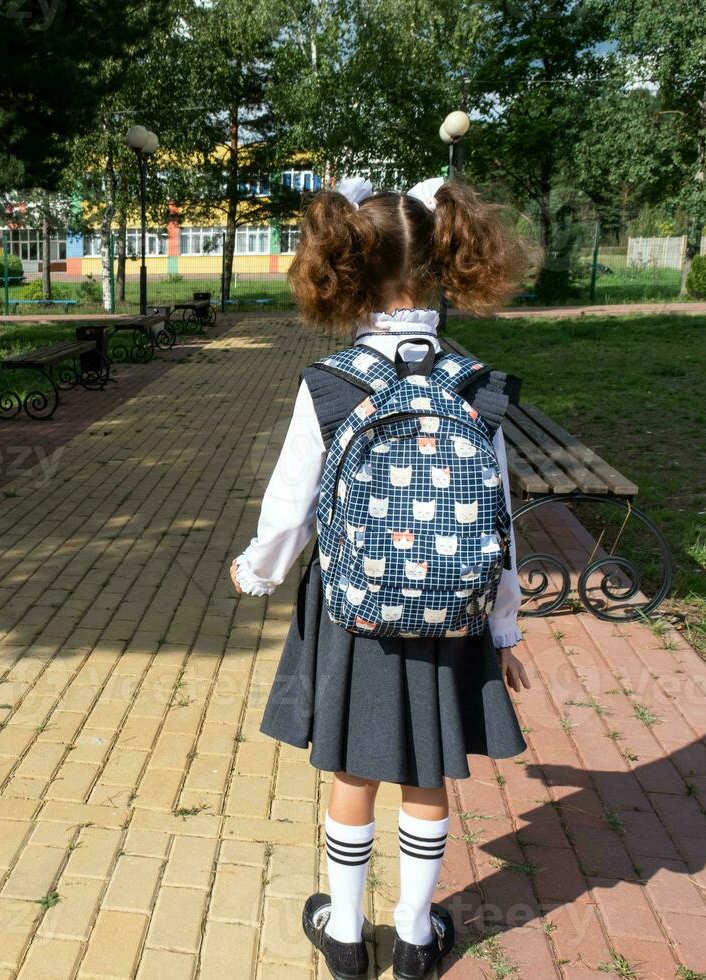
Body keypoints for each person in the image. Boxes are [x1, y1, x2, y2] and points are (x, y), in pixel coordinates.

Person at [229, 176, 530, 979]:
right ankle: (415, 933)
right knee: (427, 770)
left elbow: (291, 505)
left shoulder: (332, 383)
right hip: (451, 610)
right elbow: (498, 521)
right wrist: (504, 629)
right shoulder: (477, 386)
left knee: (355, 768)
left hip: (353, 605)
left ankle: (344, 934)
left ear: (352, 269)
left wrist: (256, 571)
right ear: (441, 264)